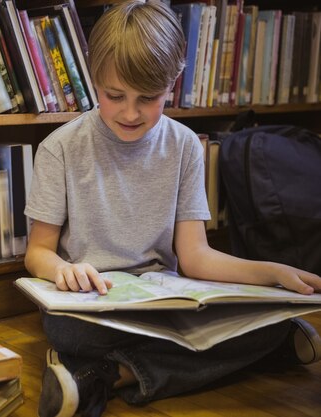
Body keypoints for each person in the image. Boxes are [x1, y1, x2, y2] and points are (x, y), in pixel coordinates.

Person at [23, 1, 321, 417]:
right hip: (92, 307)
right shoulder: (60, 148)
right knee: (66, 330)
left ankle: (106, 377)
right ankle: (247, 352)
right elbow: (37, 252)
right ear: (94, 83)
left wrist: (270, 274)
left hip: (163, 302)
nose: (130, 112)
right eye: (114, 96)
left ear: (172, 84)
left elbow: (195, 256)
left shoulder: (183, 146)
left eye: (148, 98)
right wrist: (61, 271)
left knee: (260, 319)